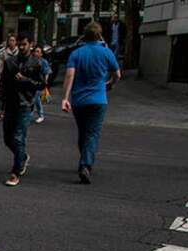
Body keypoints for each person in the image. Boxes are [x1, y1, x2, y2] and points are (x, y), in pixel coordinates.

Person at [61, 21, 121, 185]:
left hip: (79, 100)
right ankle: (85, 164)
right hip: (98, 99)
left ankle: (84, 160)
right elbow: (117, 74)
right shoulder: (106, 53)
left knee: (83, 132)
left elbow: (69, 76)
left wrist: (65, 98)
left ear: (84, 36)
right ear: (99, 36)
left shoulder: (77, 54)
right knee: (92, 134)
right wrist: (110, 84)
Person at [0, 33, 43, 187]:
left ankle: (15, 173)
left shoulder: (36, 63)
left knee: (18, 137)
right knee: (7, 138)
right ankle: (22, 157)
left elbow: (41, 85)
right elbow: (2, 84)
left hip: (25, 105)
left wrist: (26, 80)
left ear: (30, 44)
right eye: (19, 44)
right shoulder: (10, 62)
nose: (21, 47)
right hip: (10, 104)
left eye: (24, 44)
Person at [31, 45, 51, 123]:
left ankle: (40, 115)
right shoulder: (32, 60)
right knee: (33, 98)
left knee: (36, 99)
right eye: (35, 51)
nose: (36, 53)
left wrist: (46, 81)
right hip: (32, 82)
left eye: (38, 52)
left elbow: (47, 72)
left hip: (40, 82)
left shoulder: (43, 62)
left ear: (41, 54)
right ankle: (31, 114)